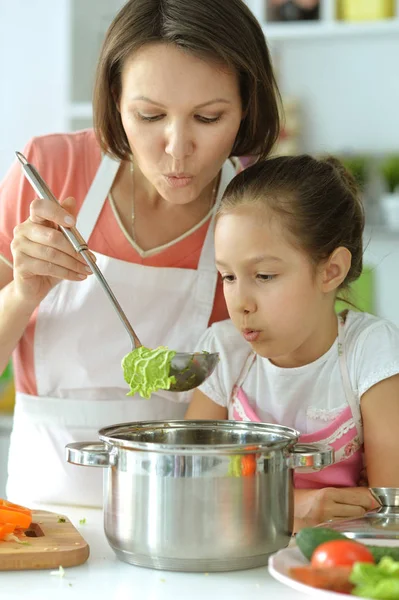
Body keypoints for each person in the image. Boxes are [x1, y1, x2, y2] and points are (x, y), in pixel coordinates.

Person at [0, 0, 280, 507]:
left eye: (208, 117)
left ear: (247, 106)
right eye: (149, 115)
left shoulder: (260, 214)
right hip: (42, 520)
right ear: (115, 98)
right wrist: (21, 294)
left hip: (186, 515)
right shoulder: (51, 171)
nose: (177, 149)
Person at [185, 154, 399, 530]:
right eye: (228, 277)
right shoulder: (223, 352)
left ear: (331, 270)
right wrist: (290, 504)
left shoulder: (371, 351)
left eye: (264, 276)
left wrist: (241, 500)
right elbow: (189, 485)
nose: (240, 303)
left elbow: (390, 505)